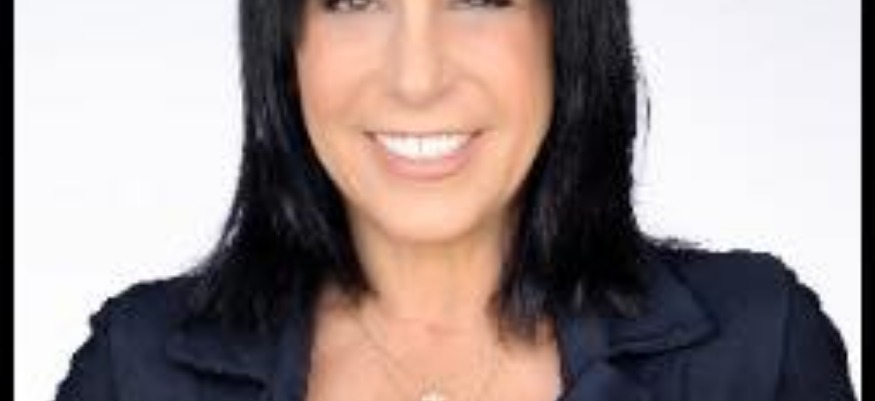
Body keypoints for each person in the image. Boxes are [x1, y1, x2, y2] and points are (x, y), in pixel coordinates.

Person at [54, 0, 856, 400]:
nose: (416, 78)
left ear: (564, 26)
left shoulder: (758, 353)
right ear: (285, 39)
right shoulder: (136, 371)